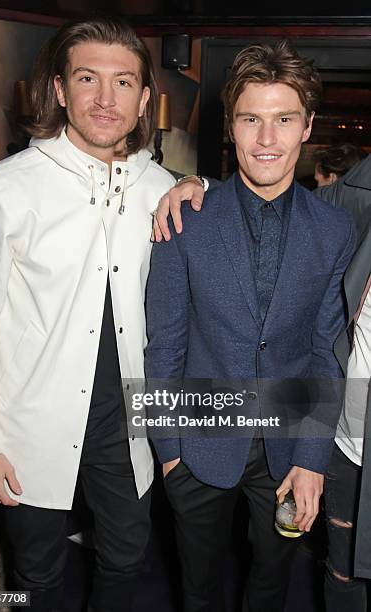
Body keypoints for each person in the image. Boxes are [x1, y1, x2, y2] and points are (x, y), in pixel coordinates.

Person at [0, 17, 176, 612]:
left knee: (128, 556)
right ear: (60, 89)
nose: (106, 100)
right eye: (88, 78)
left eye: (124, 82)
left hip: (123, 425)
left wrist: (200, 185)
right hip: (27, 425)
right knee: (36, 574)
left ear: (143, 100)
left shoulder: (163, 187)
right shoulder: (6, 188)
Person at [144, 39, 356, 612]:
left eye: (283, 119)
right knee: (198, 590)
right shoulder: (185, 217)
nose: (267, 139)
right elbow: (164, 345)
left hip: (287, 451)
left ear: (307, 126)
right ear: (230, 128)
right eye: (251, 119)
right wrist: (169, 451)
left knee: (271, 585)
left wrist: (312, 458)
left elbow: (325, 354)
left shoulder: (334, 232)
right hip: (197, 446)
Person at [316, 157, 371, 611]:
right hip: (347, 447)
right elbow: (270, 197)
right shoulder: (359, 194)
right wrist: (194, 183)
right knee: (343, 574)